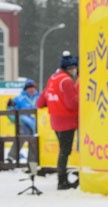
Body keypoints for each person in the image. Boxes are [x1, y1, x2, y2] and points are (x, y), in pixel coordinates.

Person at [38, 52, 80, 189]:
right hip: (67, 121)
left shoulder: (53, 78)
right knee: (65, 152)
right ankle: (62, 181)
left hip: (55, 120)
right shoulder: (66, 81)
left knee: (63, 151)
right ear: (70, 68)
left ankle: (62, 179)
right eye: (74, 68)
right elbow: (72, 104)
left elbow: (40, 102)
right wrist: (81, 96)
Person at [5, 79, 39, 164]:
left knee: (34, 140)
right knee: (23, 135)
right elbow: (11, 111)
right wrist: (18, 120)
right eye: (29, 88)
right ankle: (11, 156)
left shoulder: (39, 97)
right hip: (24, 123)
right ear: (25, 89)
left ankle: (32, 161)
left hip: (39, 124)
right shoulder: (19, 98)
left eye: (33, 87)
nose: (32, 89)